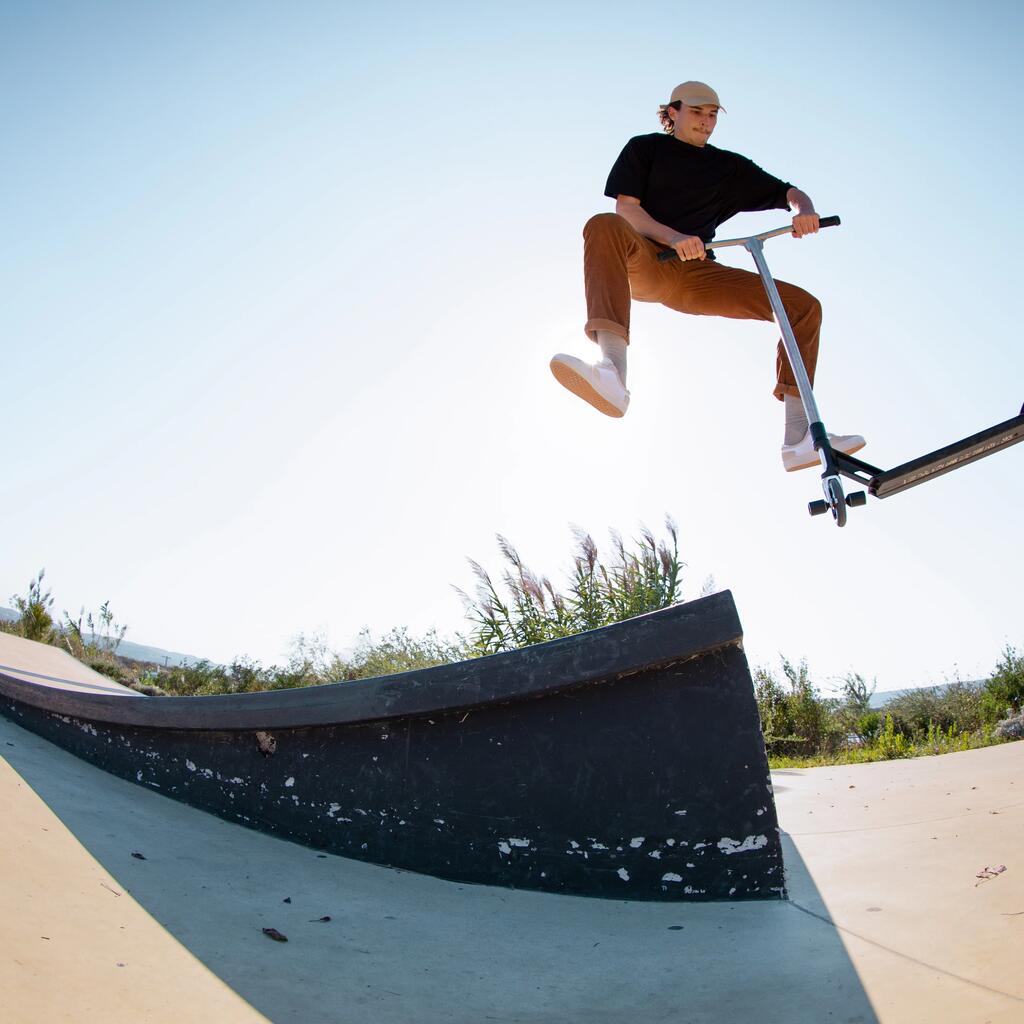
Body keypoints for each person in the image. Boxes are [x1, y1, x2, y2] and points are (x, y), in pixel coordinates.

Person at [550, 81, 865, 472]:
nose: (706, 122)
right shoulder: (645, 148)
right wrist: (675, 237)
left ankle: (799, 437)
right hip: (651, 259)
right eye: (697, 113)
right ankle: (612, 373)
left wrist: (805, 209)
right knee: (603, 225)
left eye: (713, 114)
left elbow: (788, 192)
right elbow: (627, 210)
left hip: (700, 275)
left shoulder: (727, 167)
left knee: (802, 307)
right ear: (673, 112)